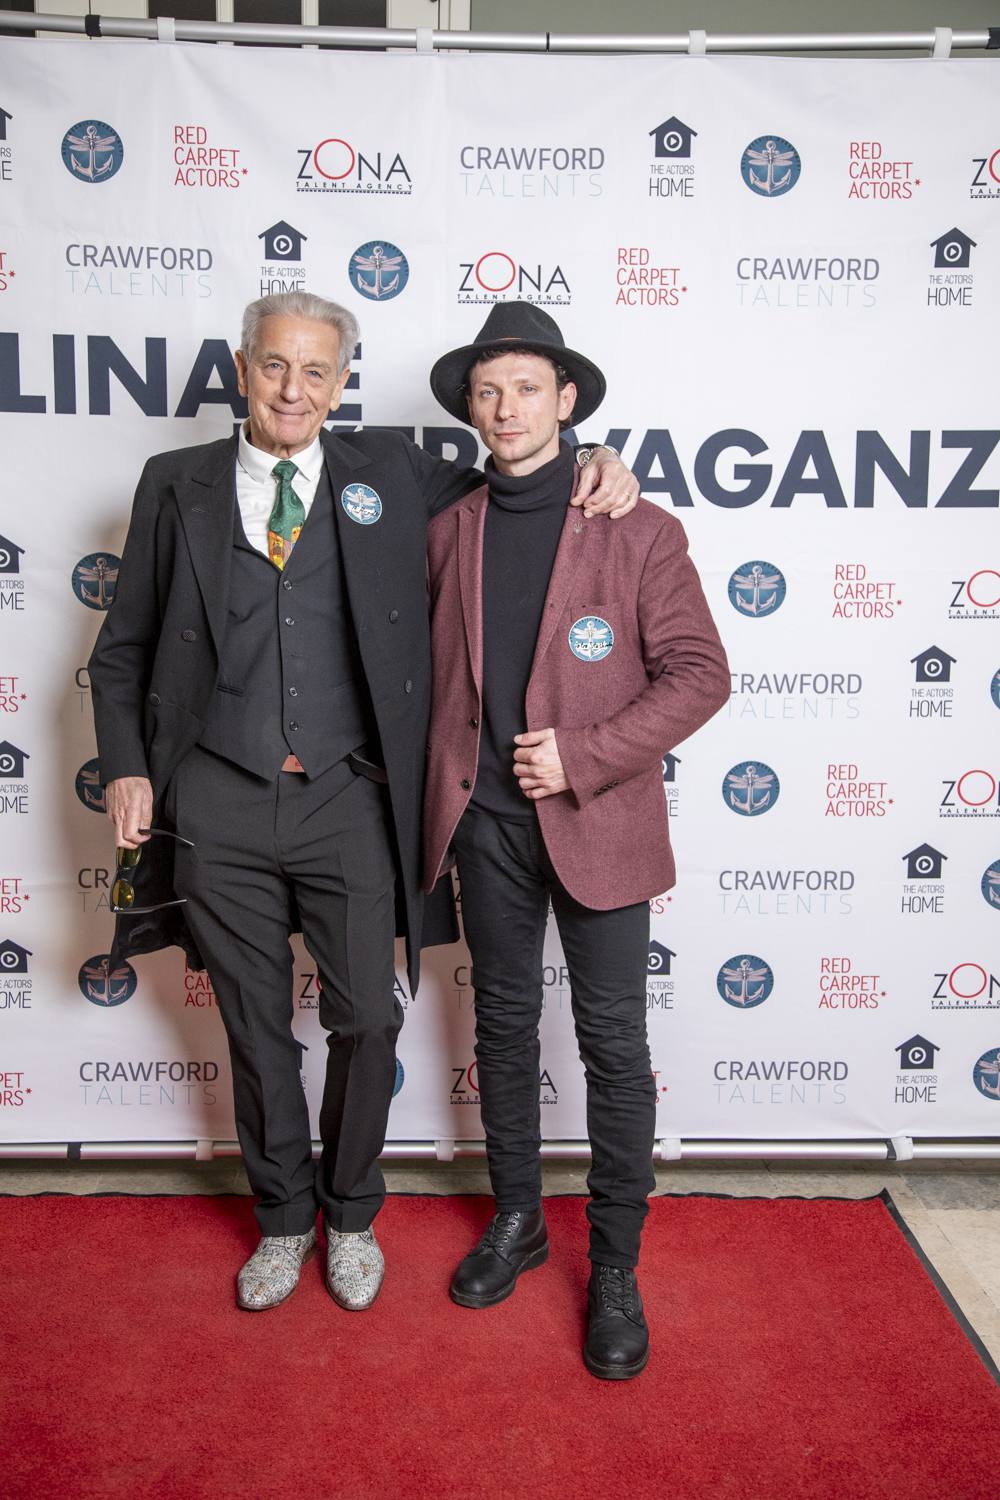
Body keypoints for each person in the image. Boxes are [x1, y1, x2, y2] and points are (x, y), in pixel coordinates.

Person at [88, 291, 637, 1315]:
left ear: (342, 383)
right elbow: (122, 651)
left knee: (367, 1021)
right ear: (243, 371)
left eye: (317, 371)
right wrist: (126, 766)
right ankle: (282, 1220)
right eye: (274, 366)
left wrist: (600, 459)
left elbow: (518, 478)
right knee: (255, 1028)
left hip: (348, 798)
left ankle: (349, 1217)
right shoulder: (174, 482)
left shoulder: (390, 468)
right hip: (218, 799)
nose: (293, 390)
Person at [423, 302, 730, 1379]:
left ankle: (614, 1266)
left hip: (599, 820)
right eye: (487, 391)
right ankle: (518, 1219)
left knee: (612, 1046)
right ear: (470, 408)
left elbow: (701, 674)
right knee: (504, 1028)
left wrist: (585, 754)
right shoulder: (447, 523)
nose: (505, 408)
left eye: (525, 388)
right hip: (484, 825)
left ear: (566, 400)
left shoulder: (637, 528)